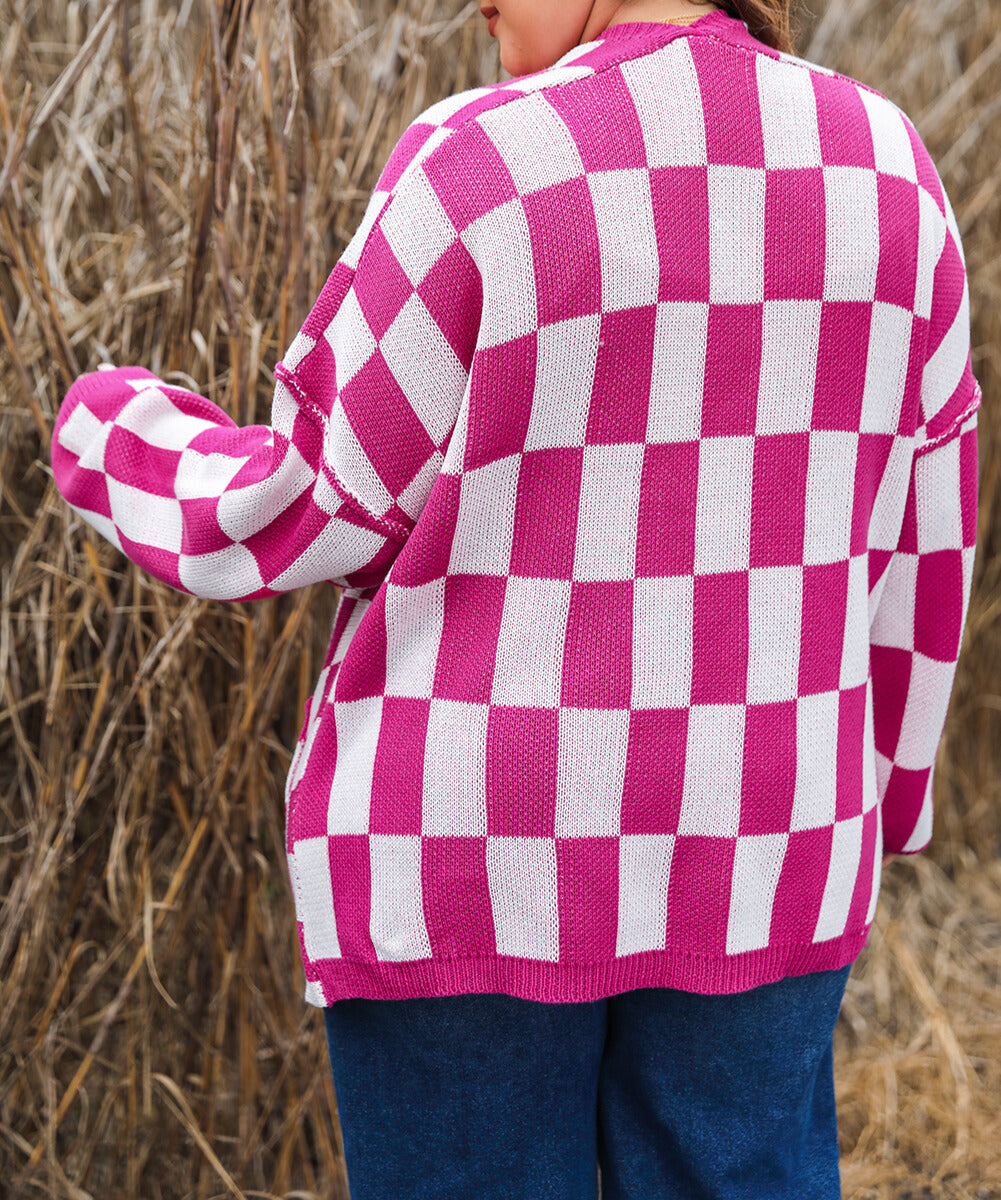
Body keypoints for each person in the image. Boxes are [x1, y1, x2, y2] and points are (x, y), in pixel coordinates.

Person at [51, 0, 981, 1195]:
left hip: (471, 855)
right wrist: (888, 799)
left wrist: (111, 429)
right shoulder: (889, 166)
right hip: (771, 839)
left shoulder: (484, 161)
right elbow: (924, 533)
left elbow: (308, 505)